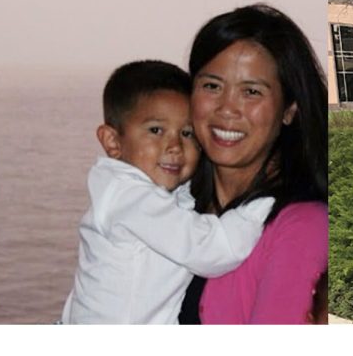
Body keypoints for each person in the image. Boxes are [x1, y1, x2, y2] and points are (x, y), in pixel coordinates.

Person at [61, 60, 275, 324]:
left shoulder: (127, 192)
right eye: (156, 130)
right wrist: (264, 196)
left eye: (187, 133)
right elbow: (213, 251)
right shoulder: (133, 199)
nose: (174, 145)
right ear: (113, 142)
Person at [178, 4, 328, 324]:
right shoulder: (166, 204)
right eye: (212, 86)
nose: (227, 108)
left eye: (251, 92)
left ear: (289, 108)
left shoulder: (303, 226)